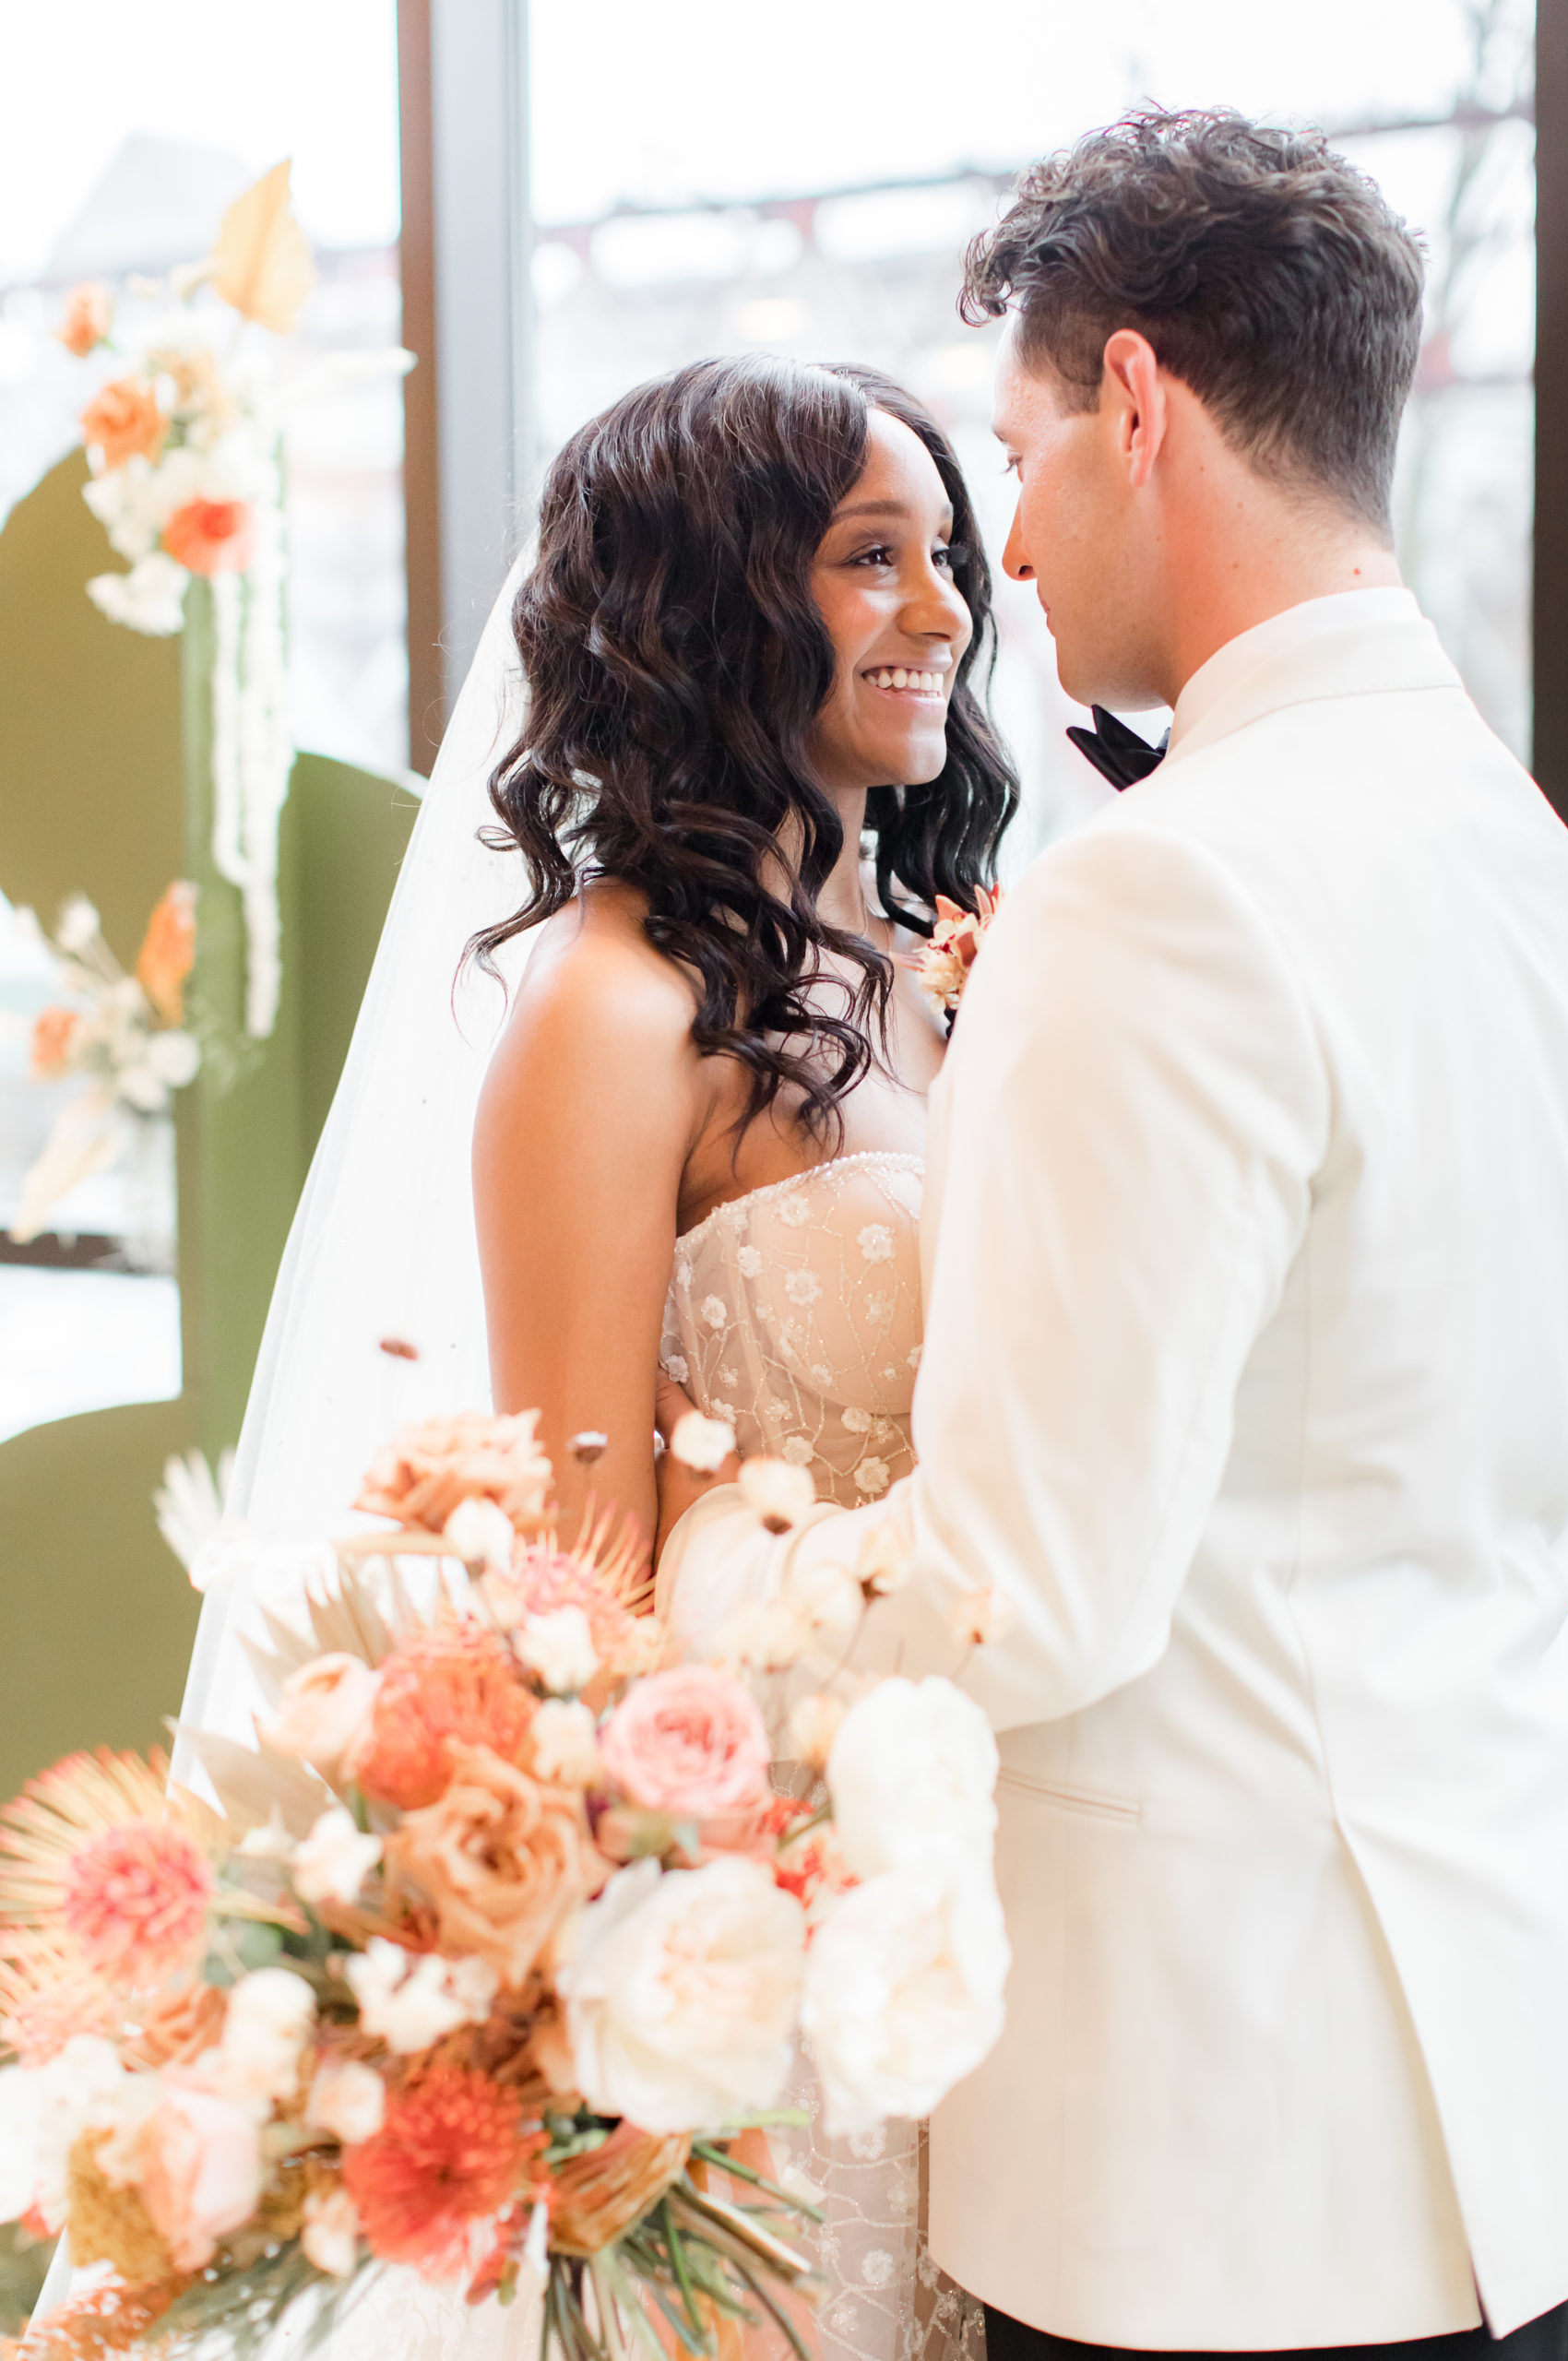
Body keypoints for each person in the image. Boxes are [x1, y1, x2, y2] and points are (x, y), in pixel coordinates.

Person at [659, 109, 1568, 2361]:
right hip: (1501, 2100)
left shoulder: (1165, 887)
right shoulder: (1515, 855)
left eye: (1023, 455)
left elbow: (1026, 1594)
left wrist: (691, 1586)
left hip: (1213, 2176)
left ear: (1139, 403)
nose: (1014, 562)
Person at [469, 352, 1017, 2361]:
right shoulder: (609, 1014)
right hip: (769, 1933)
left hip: (999, 1889)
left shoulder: (941, 972)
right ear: (708, 599)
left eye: (944, 552)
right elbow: (574, 1579)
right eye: (870, 557)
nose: (946, 612)